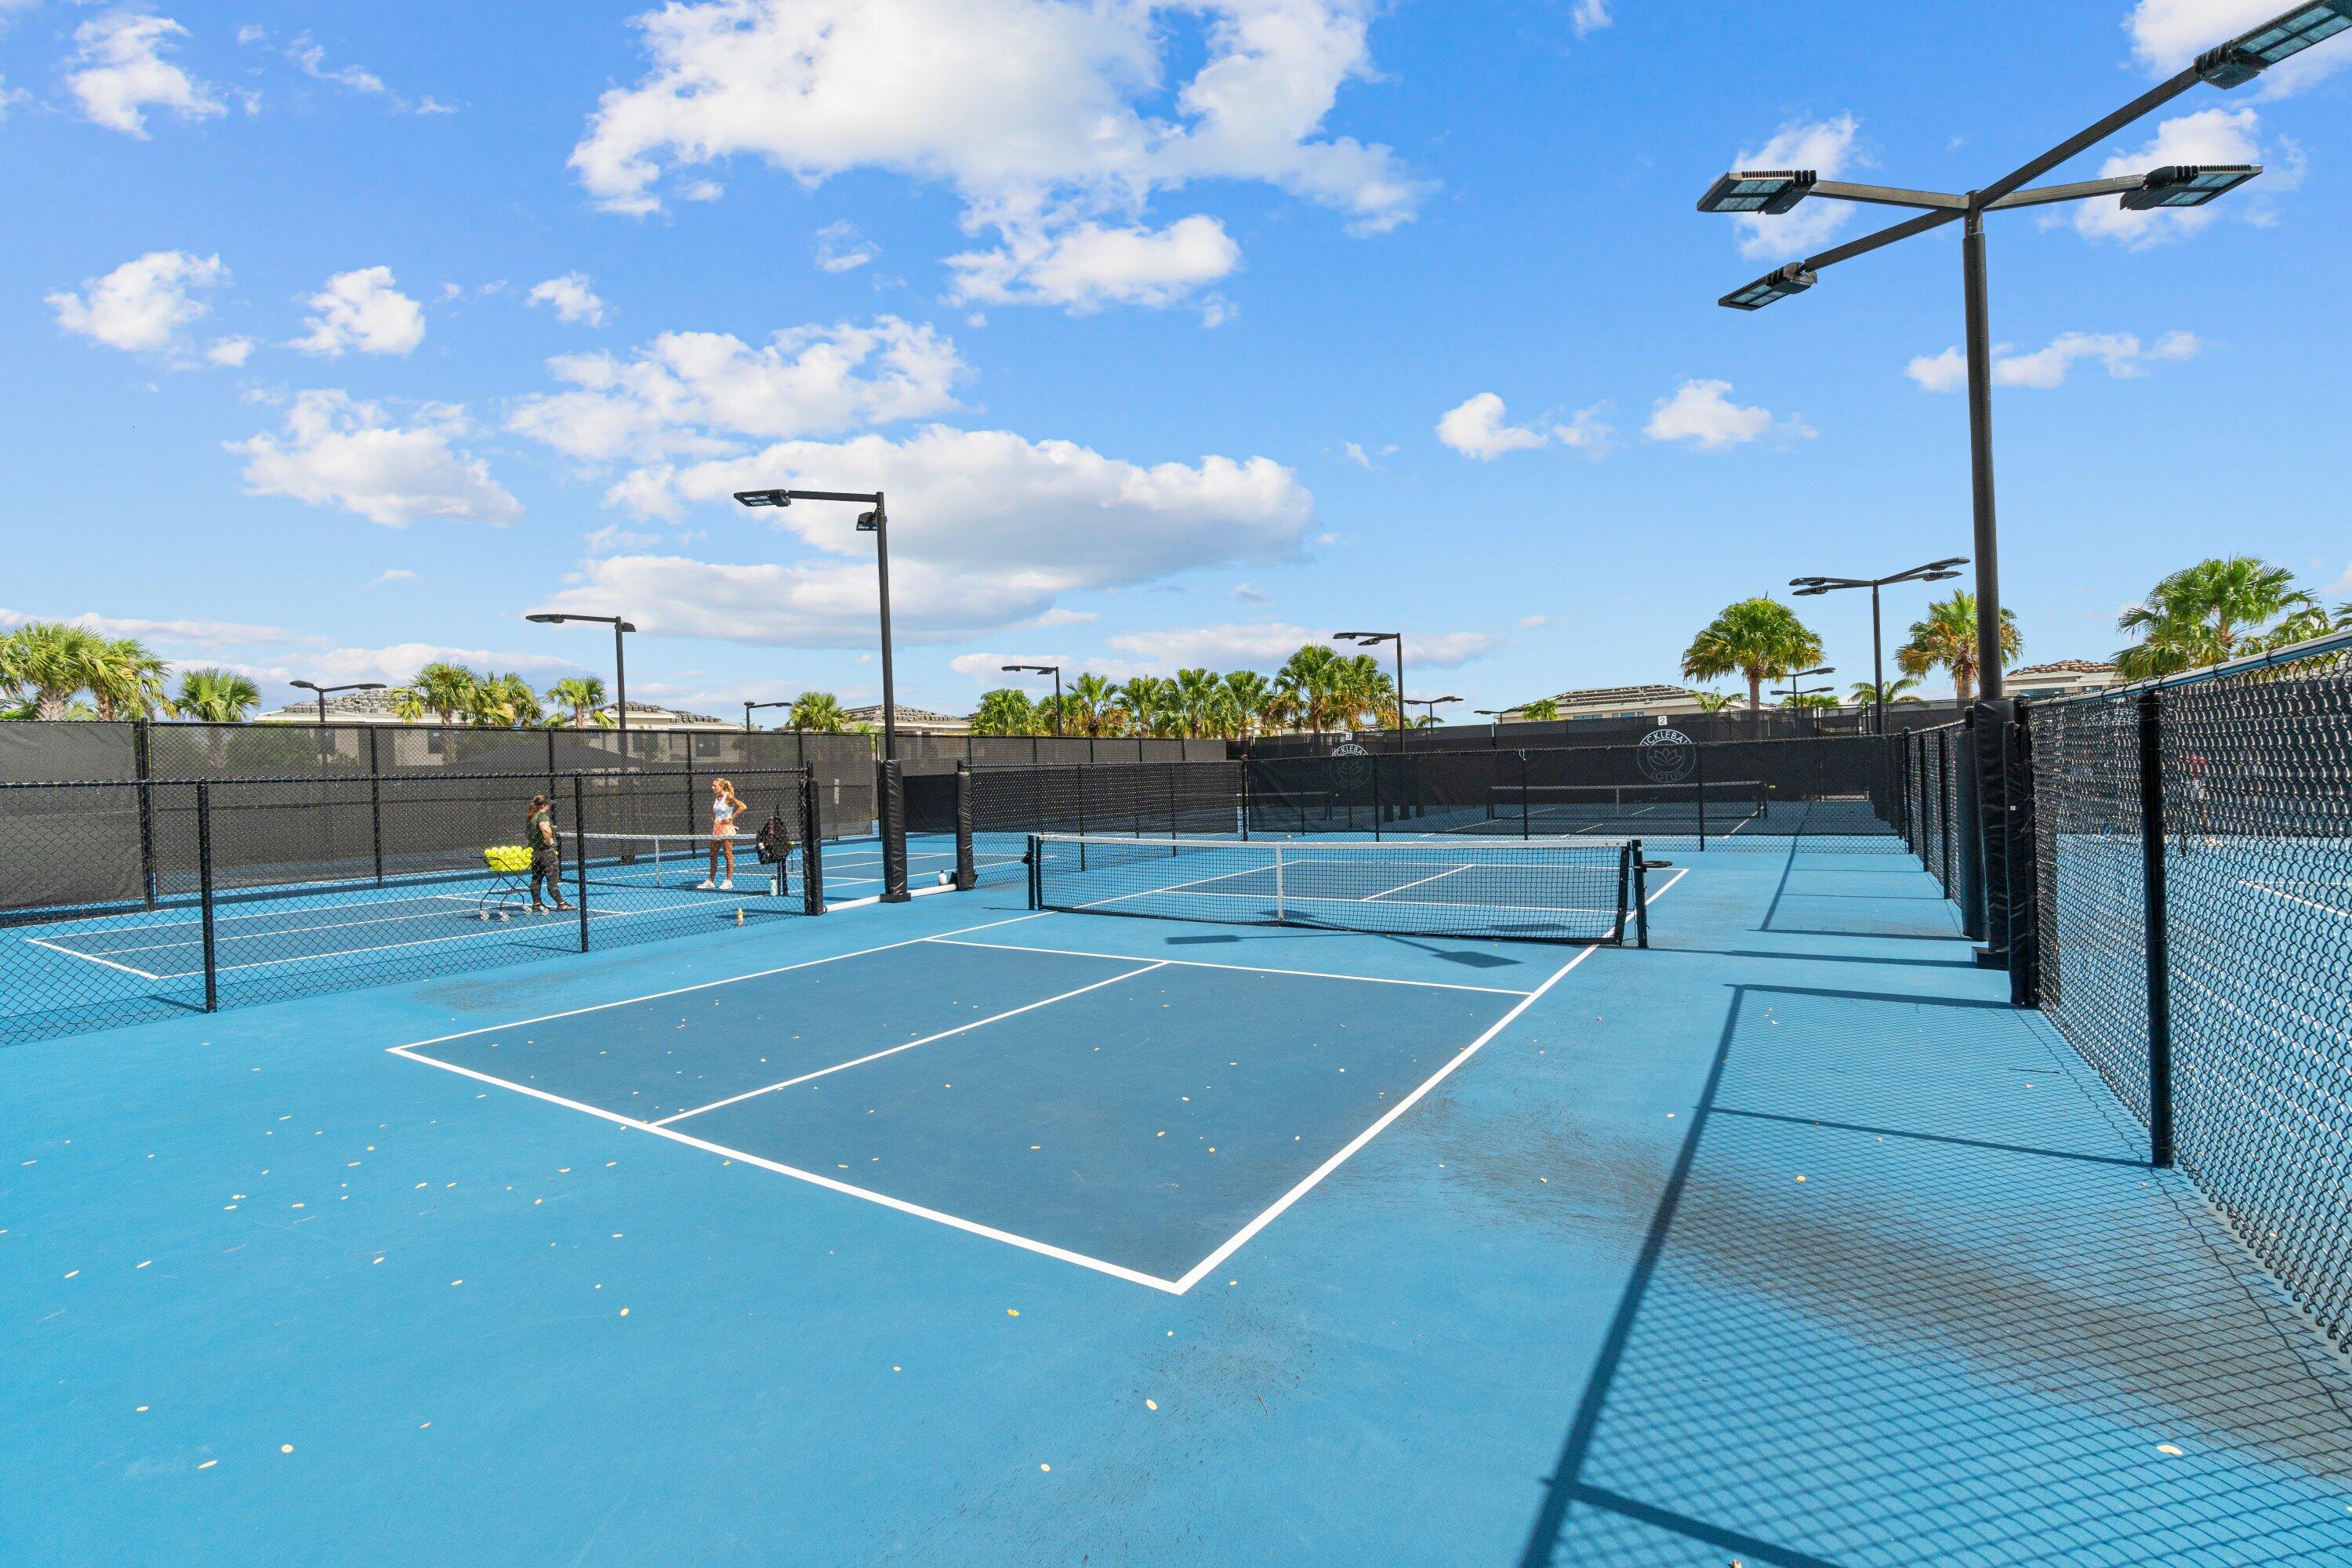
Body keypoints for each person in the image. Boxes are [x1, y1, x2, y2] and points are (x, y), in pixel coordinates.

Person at [527, 793, 570, 913]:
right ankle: (561, 904)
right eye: (548, 804)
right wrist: (548, 840)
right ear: (544, 805)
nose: (549, 806)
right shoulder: (542, 817)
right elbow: (545, 829)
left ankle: (537, 903)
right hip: (547, 853)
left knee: (536, 878)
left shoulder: (531, 817)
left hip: (535, 853)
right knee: (552, 879)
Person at [702, 777, 746, 891]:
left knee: (727, 854)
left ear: (722, 787)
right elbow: (713, 808)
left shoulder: (729, 796)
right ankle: (711, 880)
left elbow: (742, 807)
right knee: (712, 854)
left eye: (715, 786)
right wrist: (712, 815)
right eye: (712, 785)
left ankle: (728, 881)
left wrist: (731, 818)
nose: (713, 787)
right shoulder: (717, 797)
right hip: (716, 829)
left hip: (727, 829)